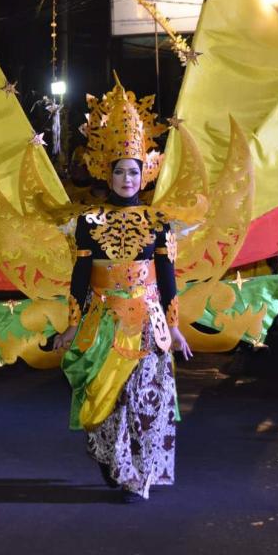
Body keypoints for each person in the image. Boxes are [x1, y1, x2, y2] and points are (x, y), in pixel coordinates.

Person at [55, 82, 191, 502]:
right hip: (104, 323)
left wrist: (176, 326)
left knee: (147, 401)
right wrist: (70, 325)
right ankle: (114, 463)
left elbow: (166, 276)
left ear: (144, 173)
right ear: (106, 172)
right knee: (106, 401)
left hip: (149, 324)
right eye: (119, 170)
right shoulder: (89, 220)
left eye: (134, 170)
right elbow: (80, 276)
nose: (127, 178)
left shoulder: (158, 221)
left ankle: (141, 472)